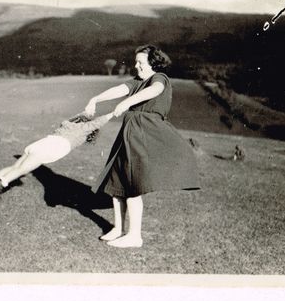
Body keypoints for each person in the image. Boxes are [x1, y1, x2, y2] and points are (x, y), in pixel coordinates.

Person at [84, 44, 199, 248]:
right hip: (129, 133)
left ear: (154, 63)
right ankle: (118, 229)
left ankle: (134, 236)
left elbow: (155, 90)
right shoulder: (138, 81)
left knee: (132, 184)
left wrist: (127, 102)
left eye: (140, 62)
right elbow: (120, 89)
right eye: (135, 62)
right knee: (117, 181)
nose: (136, 66)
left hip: (145, 133)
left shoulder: (159, 78)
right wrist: (95, 99)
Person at [0, 113, 114, 200]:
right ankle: (1, 182)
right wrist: (113, 113)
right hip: (52, 147)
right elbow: (97, 123)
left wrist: (86, 112)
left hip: (41, 143)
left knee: (15, 167)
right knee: (21, 170)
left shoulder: (67, 123)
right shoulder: (84, 130)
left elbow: (80, 117)